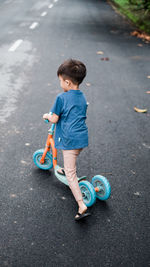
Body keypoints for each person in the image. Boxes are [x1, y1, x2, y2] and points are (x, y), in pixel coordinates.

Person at [43, 59, 91, 221]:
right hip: (82, 138)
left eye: (60, 81)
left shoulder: (61, 98)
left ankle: (81, 205)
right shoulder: (82, 97)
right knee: (70, 161)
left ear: (68, 82)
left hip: (70, 140)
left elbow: (55, 119)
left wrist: (47, 116)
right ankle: (65, 168)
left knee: (71, 174)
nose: (60, 84)